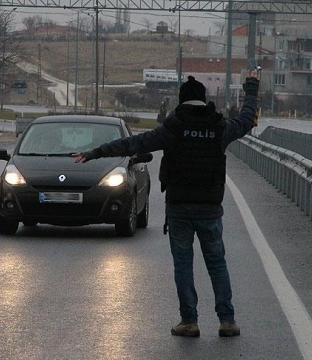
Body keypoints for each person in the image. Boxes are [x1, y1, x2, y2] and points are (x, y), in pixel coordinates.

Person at [74, 72, 260, 337]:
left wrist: (95, 153)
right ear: (203, 100)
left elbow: (133, 143)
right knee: (217, 263)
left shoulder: (173, 128)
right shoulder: (219, 128)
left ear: (182, 102)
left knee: (183, 264)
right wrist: (251, 89)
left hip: (179, 208)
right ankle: (227, 320)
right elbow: (245, 120)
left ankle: (189, 321)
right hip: (210, 208)